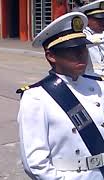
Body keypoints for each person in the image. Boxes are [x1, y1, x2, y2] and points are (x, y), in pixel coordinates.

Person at [17, 11, 104, 179]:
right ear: (51, 56)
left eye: (82, 47)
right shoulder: (37, 97)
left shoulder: (99, 85)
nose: (81, 54)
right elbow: (35, 164)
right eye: (72, 50)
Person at [79, 0, 104, 76]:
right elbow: (87, 40)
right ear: (87, 20)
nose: (103, 22)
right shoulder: (81, 33)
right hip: (90, 76)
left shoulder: (102, 32)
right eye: (99, 20)